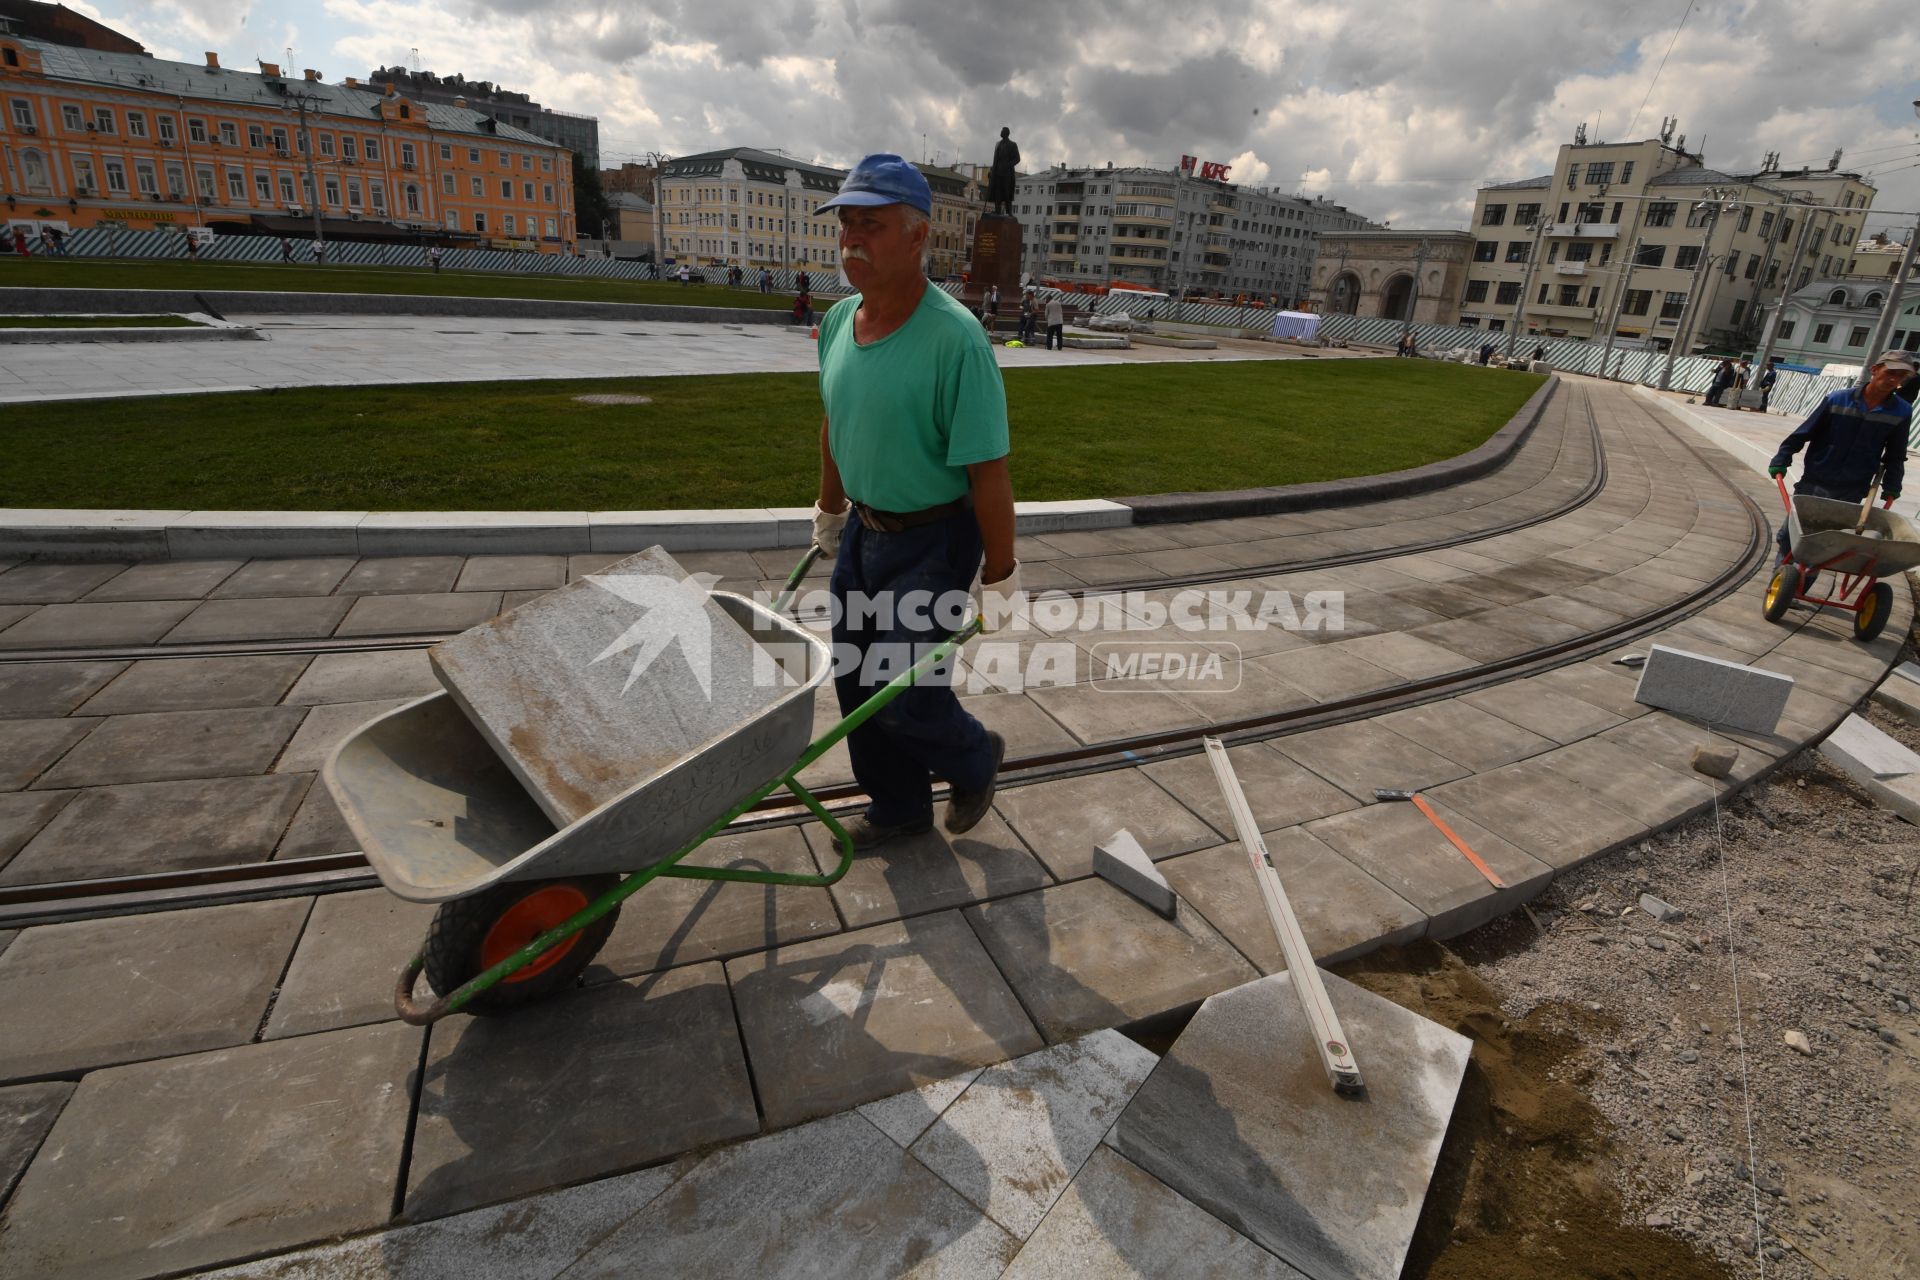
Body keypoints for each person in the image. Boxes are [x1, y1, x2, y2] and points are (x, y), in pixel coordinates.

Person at [808, 153, 1018, 848]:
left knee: (902, 695)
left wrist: (1002, 574)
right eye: (845, 226)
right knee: (855, 688)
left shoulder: (955, 339)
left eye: (870, 225)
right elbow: (838, 422)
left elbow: (988, 470)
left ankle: (974, 755)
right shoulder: (839, 323)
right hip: (865, 537)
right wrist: (831, 510)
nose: (851, 241)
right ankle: (898, 807)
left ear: (918, 235)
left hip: (934, 541)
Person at [1768, 349, 1914, 564]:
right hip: (1816, 479)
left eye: (1901, 375)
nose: (1894, 379)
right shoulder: (1838, 399)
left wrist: (1893, 484)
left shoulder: (1901, 411)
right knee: (1791, 536)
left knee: (1825, 543)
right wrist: (1782, 458)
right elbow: (1804, 432)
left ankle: (1798, 584)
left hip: (1853, 487)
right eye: (1890, 372)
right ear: (1875, 370)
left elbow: (1895, 454)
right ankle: (1782, 581)